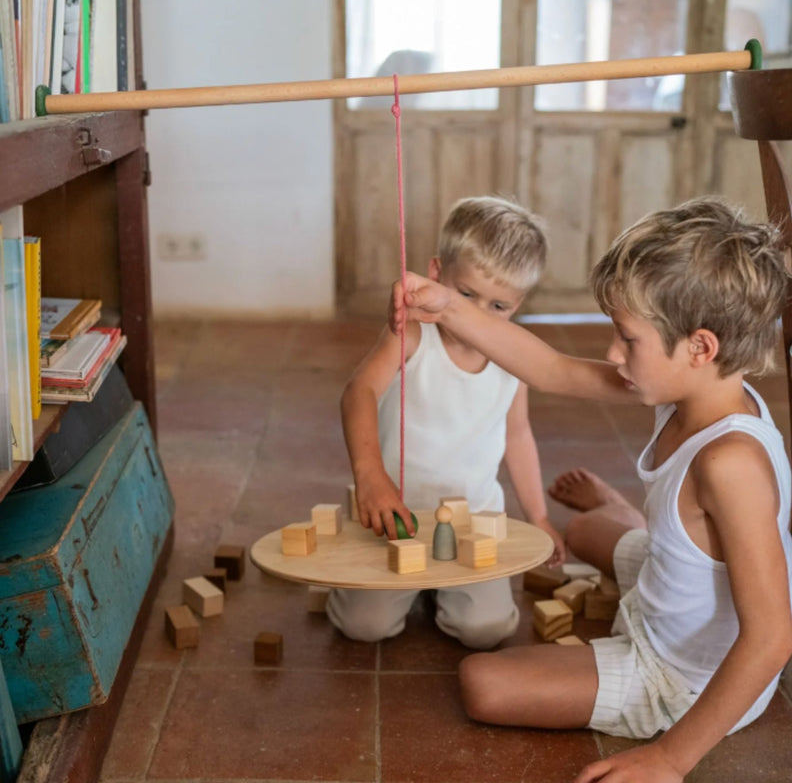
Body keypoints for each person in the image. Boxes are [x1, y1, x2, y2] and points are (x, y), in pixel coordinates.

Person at [389, 196, 792, 782]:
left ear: (700, 346)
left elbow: (773, 636)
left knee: (483, 682)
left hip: (682, 677)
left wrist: (670, 758)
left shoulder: (731, 464)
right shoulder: (695, 385)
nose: (612, 353)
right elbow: (551, 369)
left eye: (627, 339)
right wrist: (448, 306)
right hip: (667, 588)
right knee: (580, 529)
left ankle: (645, 534)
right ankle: (640, 524)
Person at [327, 195, 565, 650]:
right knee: (365, 627)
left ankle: (437, 587)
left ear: (518, 303)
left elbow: (518, 435)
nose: (476, 315)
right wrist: (370, 475)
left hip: (473, 520)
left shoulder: (515, 357)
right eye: (467, 295)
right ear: (436, 274)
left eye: (498, 306)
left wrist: (538, 517)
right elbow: (358, 392)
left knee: (487, 631)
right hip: (394, 517)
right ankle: (363, 584)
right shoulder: (412, 334)